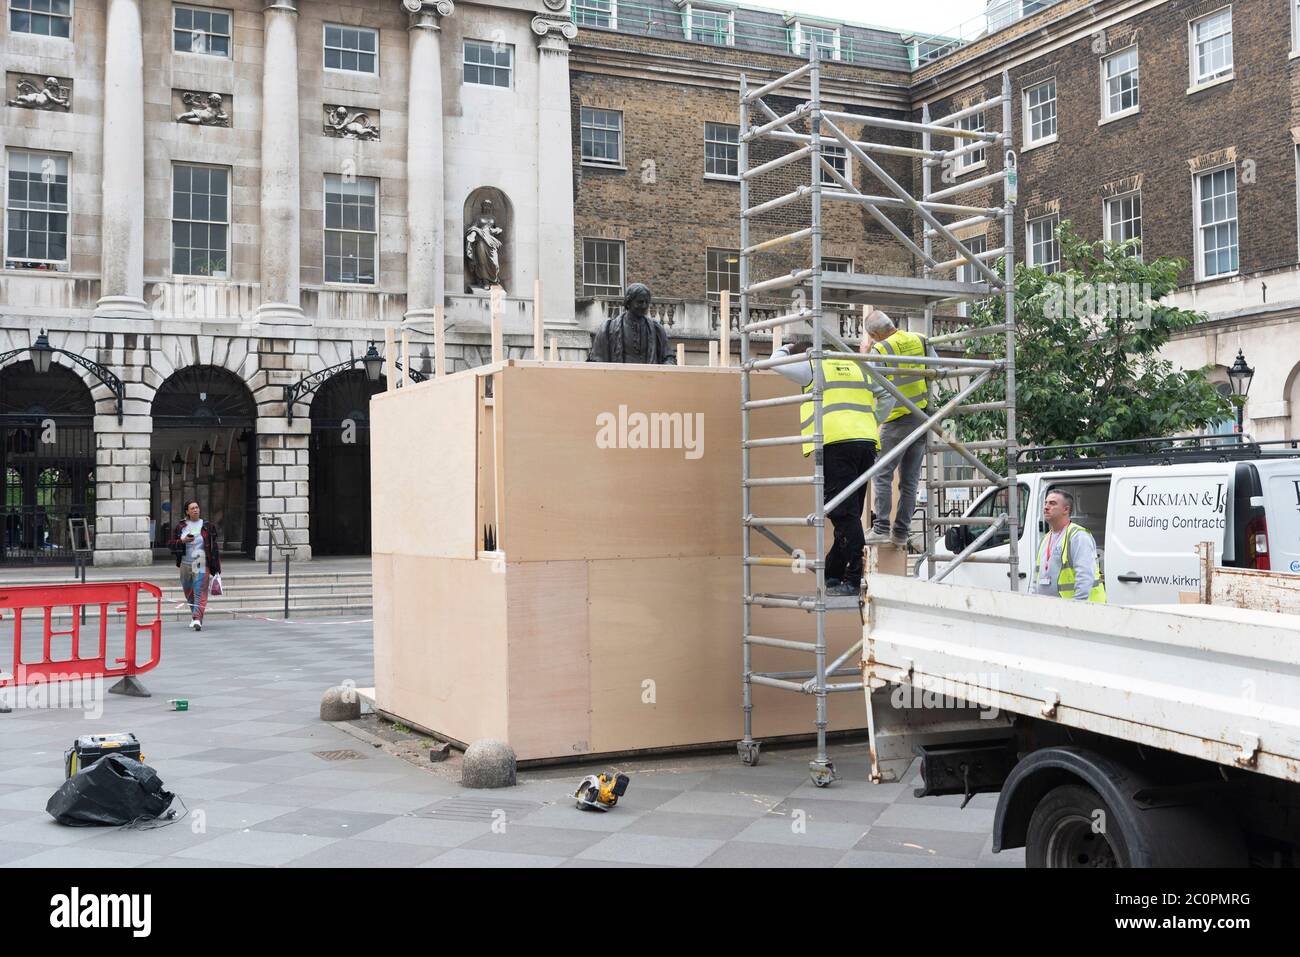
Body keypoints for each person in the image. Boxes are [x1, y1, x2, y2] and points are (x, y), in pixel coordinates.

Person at [770, 337, 879, 596]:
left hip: (836, 444)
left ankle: (853, 578)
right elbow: (885, 394)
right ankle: (833, 571)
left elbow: (775, 363)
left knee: (843, 514)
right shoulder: (855, 364)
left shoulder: (814, 365)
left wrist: (787, 347)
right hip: (865, 444)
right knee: (848, 514)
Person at [860, 310, 939, 548]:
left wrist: (864, 358)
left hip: (896, 420)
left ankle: (882, 528)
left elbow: (872, 384)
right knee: (910, 480)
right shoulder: (919, 339)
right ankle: (901, 532)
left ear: (874, 334)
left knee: (882, 473)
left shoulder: (880, 350)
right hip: (921, 417)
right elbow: (936, 368)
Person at [1034, 489, 1106, 602]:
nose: (1046, 507)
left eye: (1052, 503)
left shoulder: (1078, 536)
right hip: (1051, 610)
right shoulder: (1046, 538)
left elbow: (1085, 577)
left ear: (1066, 509)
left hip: (1077, 611)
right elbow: (1036, 576)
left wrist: (1074, 608)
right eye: (1045, 503)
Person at [587, 283, 677, 365]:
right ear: (628, 302)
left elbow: (669, 357)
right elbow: (596, 360)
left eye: (647, 302)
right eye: (640, 302)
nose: (644, 306)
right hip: (619, 379)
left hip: (649, 379)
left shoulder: (656, 329)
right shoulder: (608, 328)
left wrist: (667, 367)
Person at [167, 499, 222, 630]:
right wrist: (182, 540)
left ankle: (197, 619)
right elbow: (170, 544)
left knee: (200, 591)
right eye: (192, 508)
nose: (195, 510)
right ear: (187, 511)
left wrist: (217, 568)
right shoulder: (181, 526)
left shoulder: (207, 526)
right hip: (185, 562)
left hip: (200, 560)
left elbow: (214, 548)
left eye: (197, 507)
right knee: (188, 591)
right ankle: (195, 615)